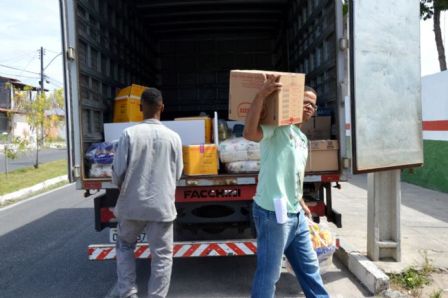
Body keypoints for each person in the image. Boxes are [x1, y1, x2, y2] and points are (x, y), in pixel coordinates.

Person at [243, 74, 329, 298]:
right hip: (272, 213)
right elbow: (249, 133)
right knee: (269, 275)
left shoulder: (301, 138)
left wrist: (302, 202)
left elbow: (293, 175)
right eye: (305, 102)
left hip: (295, 214)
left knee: (310, 270)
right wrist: (261, 95)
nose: (309, 107)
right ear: (293, 102)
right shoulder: (278, 128)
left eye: (313, 104)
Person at [112, 87, 183, 298]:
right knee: (162, 256)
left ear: (140, 107)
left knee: (125, 247)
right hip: (161, 207)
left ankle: (128, 293)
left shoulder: (128, 134)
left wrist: (124, 189)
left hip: (132, 204)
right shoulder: (174, 138)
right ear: (162, 107)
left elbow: (118, 172)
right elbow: (177, 173)